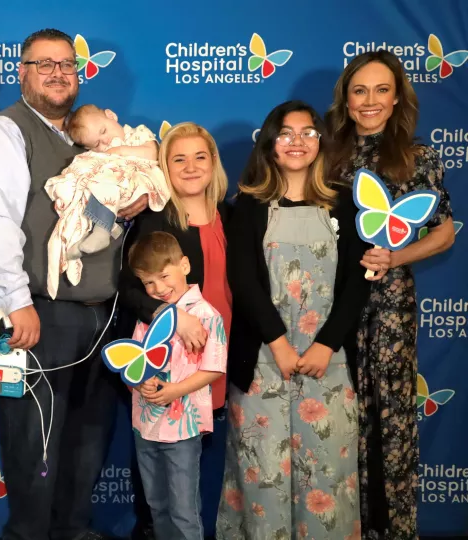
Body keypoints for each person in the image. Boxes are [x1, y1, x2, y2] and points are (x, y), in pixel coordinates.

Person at [0, 28, 150, 540]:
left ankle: (73, 529)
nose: (57, 73)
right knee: (34, 443)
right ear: (21, 72)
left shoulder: (97, 141)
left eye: (66, 64)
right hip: (36, 312)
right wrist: (16, 302)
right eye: (44, 64)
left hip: (101, 312)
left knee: (88, 439)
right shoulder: (5, 133)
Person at [216, 101, 368, 539]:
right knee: (261, 475)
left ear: (321, 142)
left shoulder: (346, 205)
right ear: (270, 143)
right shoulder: (246, 204)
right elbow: (242, 281)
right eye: (286, 133)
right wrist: (279, 344)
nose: (297, 141)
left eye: (307, 132)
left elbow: (357, 284)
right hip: (264, 360)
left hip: (330, 363)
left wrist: (326, 344)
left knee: (328, 478)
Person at [326, 51, 455, 540]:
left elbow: (444, 232)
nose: (370, 101)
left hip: (390, 310)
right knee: (339, 418)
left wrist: (396, 259)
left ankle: (393, 529)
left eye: (381, 90)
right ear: (347, 98)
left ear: (397, 96)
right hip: (332, 305)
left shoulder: (417, 158)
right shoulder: (326, 155)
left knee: (391, 422)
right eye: (360, 91)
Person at [116, 122, 231, 539]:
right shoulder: (154, 218)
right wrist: (172, 315)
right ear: (164, 165)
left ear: (213, 162)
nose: (190, 166)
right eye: (178, 158)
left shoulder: (229, 215)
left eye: (200, 156)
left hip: (212, 358)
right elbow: (130, 286)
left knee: (191, 476)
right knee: (160, 487)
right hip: (168, 362)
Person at [125, 231, 227, 540]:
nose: (158, 288)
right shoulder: (148, 316)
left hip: (183, 428)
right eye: (148, 283)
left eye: (164, 276)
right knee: (157, 505)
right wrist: (140, 382)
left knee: (183, 508)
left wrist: (174, 391)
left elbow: (214, 368)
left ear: (184, 265)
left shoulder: (206, 315)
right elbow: (132, 361)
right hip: (145, 425)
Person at [45, 104, 169, 298]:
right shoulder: (102, 154)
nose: (106, 141)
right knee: (89, 187)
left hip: (141, 180)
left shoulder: (139, 133)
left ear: (111, 116)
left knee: (106, 181)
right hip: (115, 189)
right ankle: (74, 244)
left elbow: (153, 154)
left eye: (104, 131)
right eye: (97, 144)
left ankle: (102, 231)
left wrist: (119, 151)